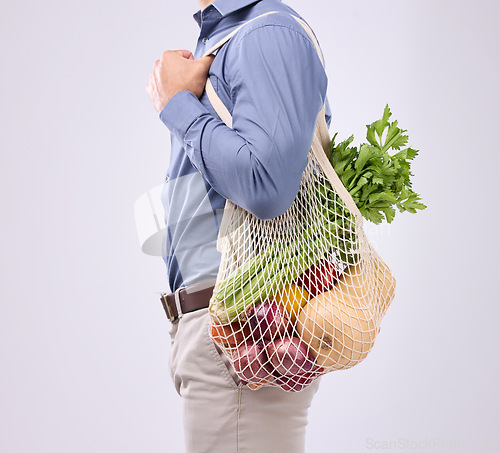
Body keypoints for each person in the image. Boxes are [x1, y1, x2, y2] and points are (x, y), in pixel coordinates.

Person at [146, 0, 332, 451]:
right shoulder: (235, 34)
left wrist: (178, 106)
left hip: (244, 335)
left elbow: (265, 184)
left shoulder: (265, 34)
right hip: (229, 333)